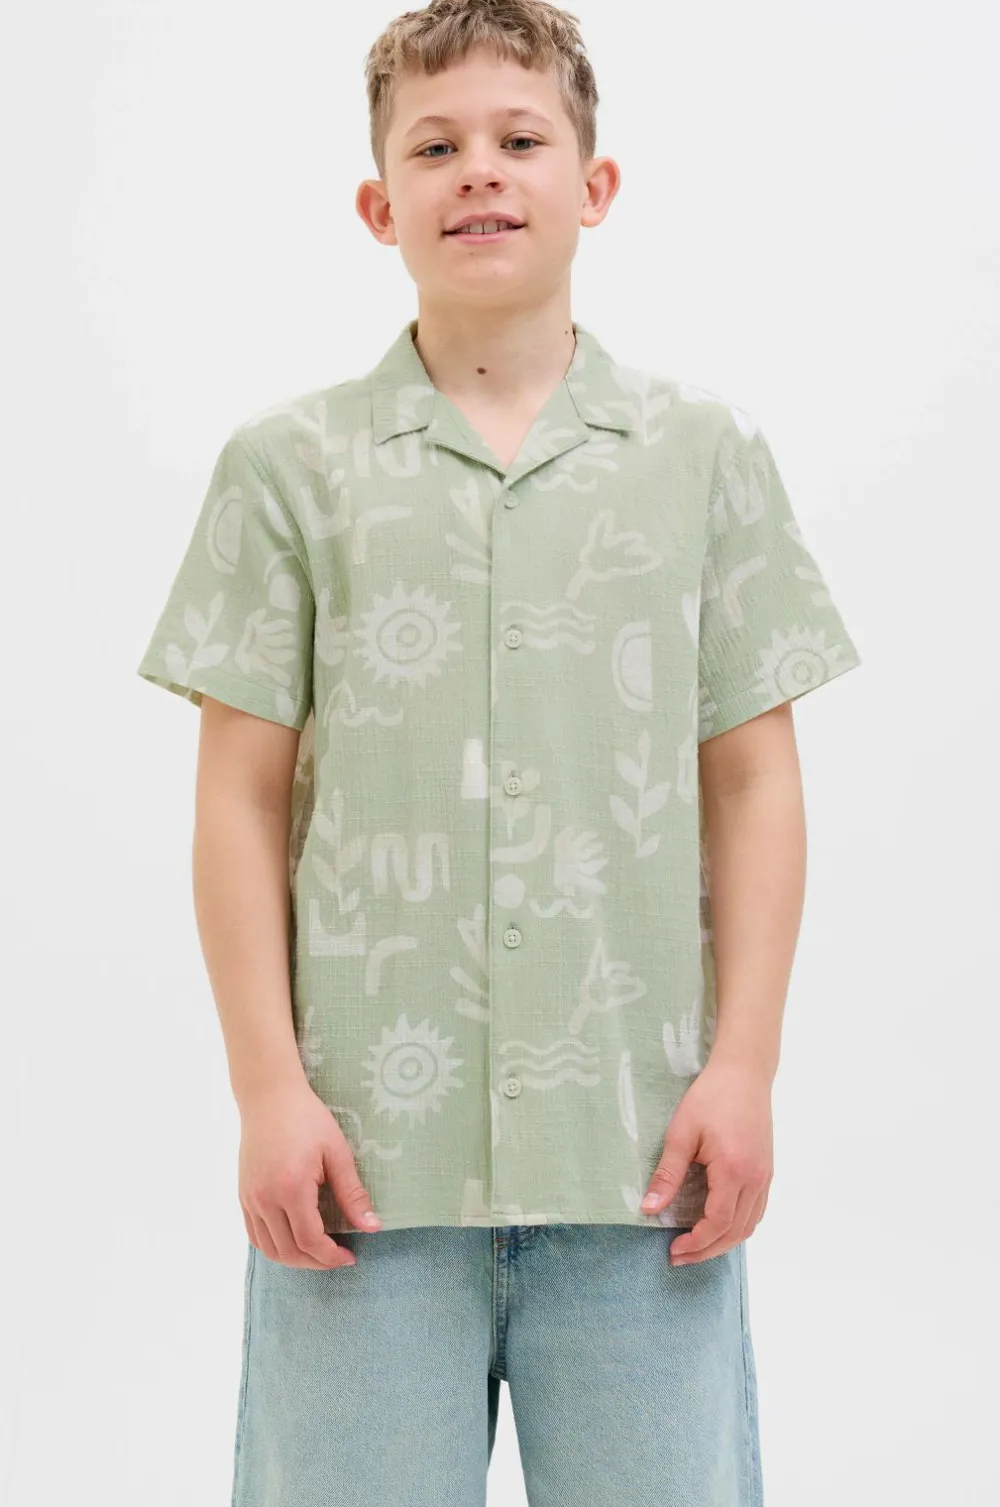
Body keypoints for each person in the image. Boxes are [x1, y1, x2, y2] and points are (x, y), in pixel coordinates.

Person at [136, 2, 862, 1502]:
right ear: (377, 205)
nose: (479, 169)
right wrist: (268, 1093)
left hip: (641, 1155)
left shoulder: (705, 457)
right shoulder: (288, 470)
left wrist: (746, 1065)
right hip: (361, 1171)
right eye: (436, 146)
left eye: (520, 138)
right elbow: (238, 800)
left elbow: (753, 781)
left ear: (594, 186)